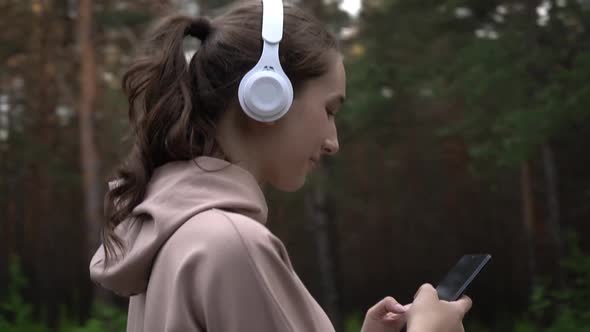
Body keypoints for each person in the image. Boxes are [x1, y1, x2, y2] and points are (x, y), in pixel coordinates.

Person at [89, 0, 472, 331]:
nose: (332, 142)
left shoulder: (175, 236)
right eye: (328, 109)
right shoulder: (231, 245)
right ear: (266, 95)